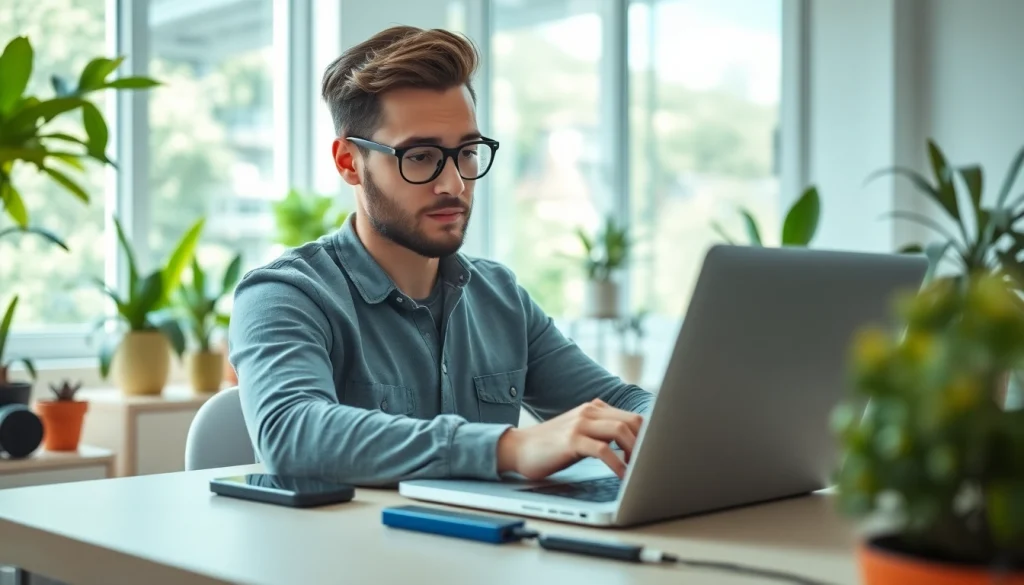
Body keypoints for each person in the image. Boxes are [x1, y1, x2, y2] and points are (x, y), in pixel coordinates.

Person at [229, 25, 654, 487]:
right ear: (349, 161)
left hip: (489, 551)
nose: (454, 183)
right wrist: (510, 447)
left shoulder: (501, 296)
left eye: (467, 152)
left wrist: (668, 431)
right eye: (420, 156)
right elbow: (291, 434)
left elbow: (619, 403)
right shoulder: (283, 295)